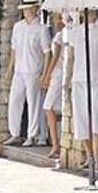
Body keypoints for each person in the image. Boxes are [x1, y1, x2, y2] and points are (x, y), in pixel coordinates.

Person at [4, 0, 51, 147]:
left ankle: (32, 134)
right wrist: (10, 69)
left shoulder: (41, 29)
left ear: (34, 10)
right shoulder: (18, 27)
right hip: (19, 70)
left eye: (28, 9)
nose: (26, 12)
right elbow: (14, 50)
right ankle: (15, 133)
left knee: (33, 102)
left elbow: (47, 53)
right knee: (15, 100)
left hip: (33, 70)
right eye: (24, 9)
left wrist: (44, 73)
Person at [66, 9, 98, 169]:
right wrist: (67, 80)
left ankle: (96, 159)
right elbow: (71, 56)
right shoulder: (76, 31)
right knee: (81, 120)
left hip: (96, 79)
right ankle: (89, 155)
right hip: (78, 78)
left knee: (94, 118)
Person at [40, 12, 65, 159]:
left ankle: (56, 144)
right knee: (54, 108)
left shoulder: (59, 36)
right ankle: (56, 142)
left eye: (56, 18)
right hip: (60, 73)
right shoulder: (65, 35)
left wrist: (46, 74)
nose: (55, 21)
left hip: (57, 74)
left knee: (47, 106)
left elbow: (55, 57)